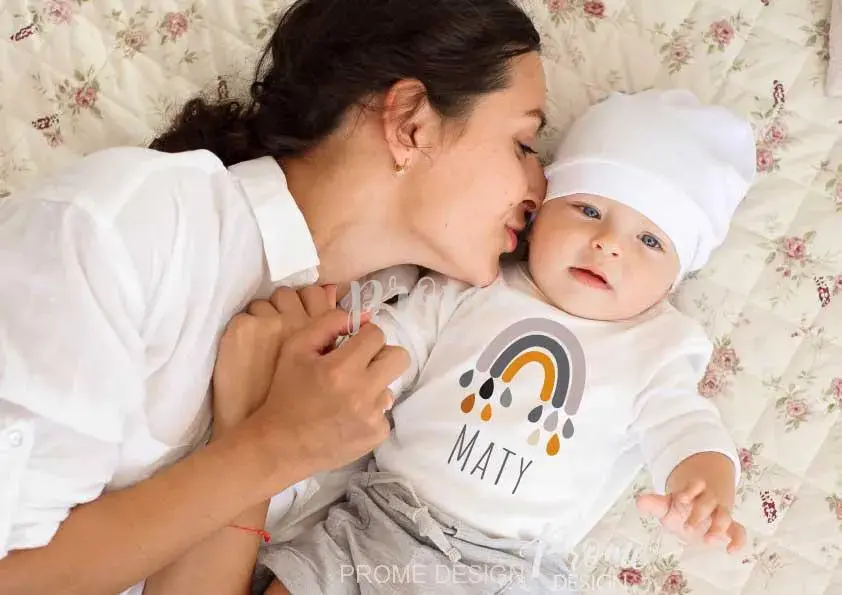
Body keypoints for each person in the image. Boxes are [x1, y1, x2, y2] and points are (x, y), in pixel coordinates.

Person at [0, 0, 546, 593]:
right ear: (411, 121)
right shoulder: (132, 227)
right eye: (523, 144)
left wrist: (248, 432)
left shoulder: (403, 340)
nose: (541, 188)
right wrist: (273, 445)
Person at [259, 89, 756, 594]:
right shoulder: (473, 284)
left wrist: (704, 489)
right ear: (540, 215)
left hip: (510, 570)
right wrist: (344, 358)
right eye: (587, 209)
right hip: (383, 521)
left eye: (649, 241)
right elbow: (397, 340)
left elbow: (685, 426)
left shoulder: (656, 346)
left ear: (673, 280)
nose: (607, 243)